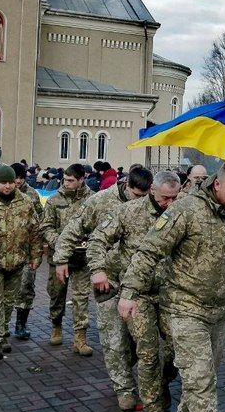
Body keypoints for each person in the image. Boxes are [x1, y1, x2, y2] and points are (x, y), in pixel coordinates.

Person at [118, 161, 225, 412]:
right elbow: (149, 251)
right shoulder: (186, 210)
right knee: (200, 375)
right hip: (185, 306)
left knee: (206, 373)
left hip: (220, 310)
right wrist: (129, 292)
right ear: (217, 184)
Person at [86, 171, 180, 412]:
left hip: (171, 293)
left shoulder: (181, 213)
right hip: (137, 294)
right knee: (147, 351)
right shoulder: (129, 212)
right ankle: (153, 410)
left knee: (177, 347)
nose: (170, 204)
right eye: (165, 198)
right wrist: (98, 270)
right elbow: (97, 240)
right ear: (152, 191)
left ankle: (161, 383)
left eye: (175, 197)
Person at [55, 165, 154, 399]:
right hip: (107, 280)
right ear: (127, 186)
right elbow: (74, 228)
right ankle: (124, 390)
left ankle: (127, 371)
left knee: (138, 341)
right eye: (136, 195)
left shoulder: (152, 204)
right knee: (113, 338)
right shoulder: (101, 201)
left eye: (144, 196)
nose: (139, 200)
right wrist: (61, 259)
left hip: (138, 283)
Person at [0, 165, 43, 365]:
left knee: (8, 302)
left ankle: (3, 332)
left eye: (10, 182)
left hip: (17, 261)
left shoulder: (25, 201)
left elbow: (34, 230)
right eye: (3, 182)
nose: (7, 186)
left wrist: (36, 255)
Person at [41, 164, 94, 355]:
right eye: (65, 180)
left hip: (83, 258)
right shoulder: (54, 200)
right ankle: (56, 325)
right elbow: (46, 226)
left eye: (71, 180)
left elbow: (99, 226)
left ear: (82, 179)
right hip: (58, 258)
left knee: (81, 298)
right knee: (57, 294)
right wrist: (61, 242)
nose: (66, 183)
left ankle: (80, 337)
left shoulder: (93, 200)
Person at [10, 163, 44, 341]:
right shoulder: (1, 193)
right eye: (15, 178)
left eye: (20, 178)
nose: (17, 181)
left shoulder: (31, 195)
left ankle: (20, 324)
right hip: (7, 250)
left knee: (26, 288)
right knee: (3, 291)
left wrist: (37, 251)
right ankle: (0, 327)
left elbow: (39, 221)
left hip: (27, 250)